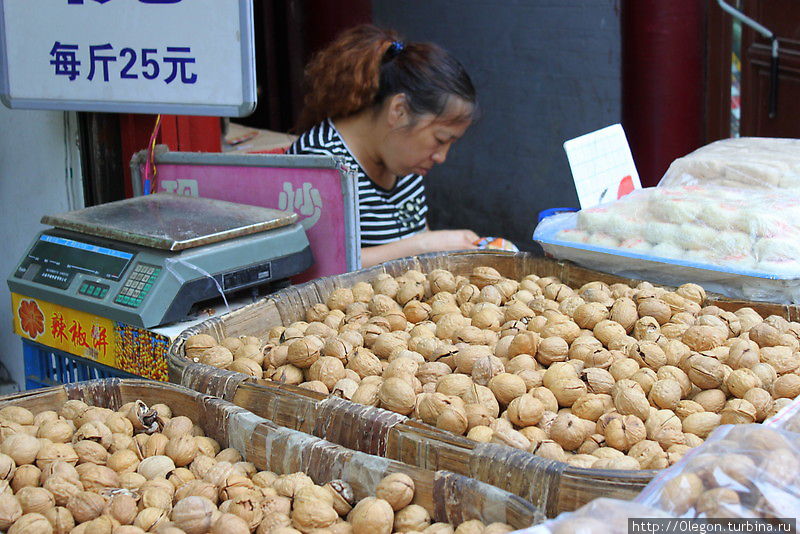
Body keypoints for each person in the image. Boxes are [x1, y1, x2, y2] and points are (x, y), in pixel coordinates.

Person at [287, 24, 480, 268]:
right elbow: (321, 267)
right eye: (440, 139)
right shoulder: (319, 163)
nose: (441, 156)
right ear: (399, 111)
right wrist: (425, 245)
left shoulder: (404, 163)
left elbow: (421, 239)